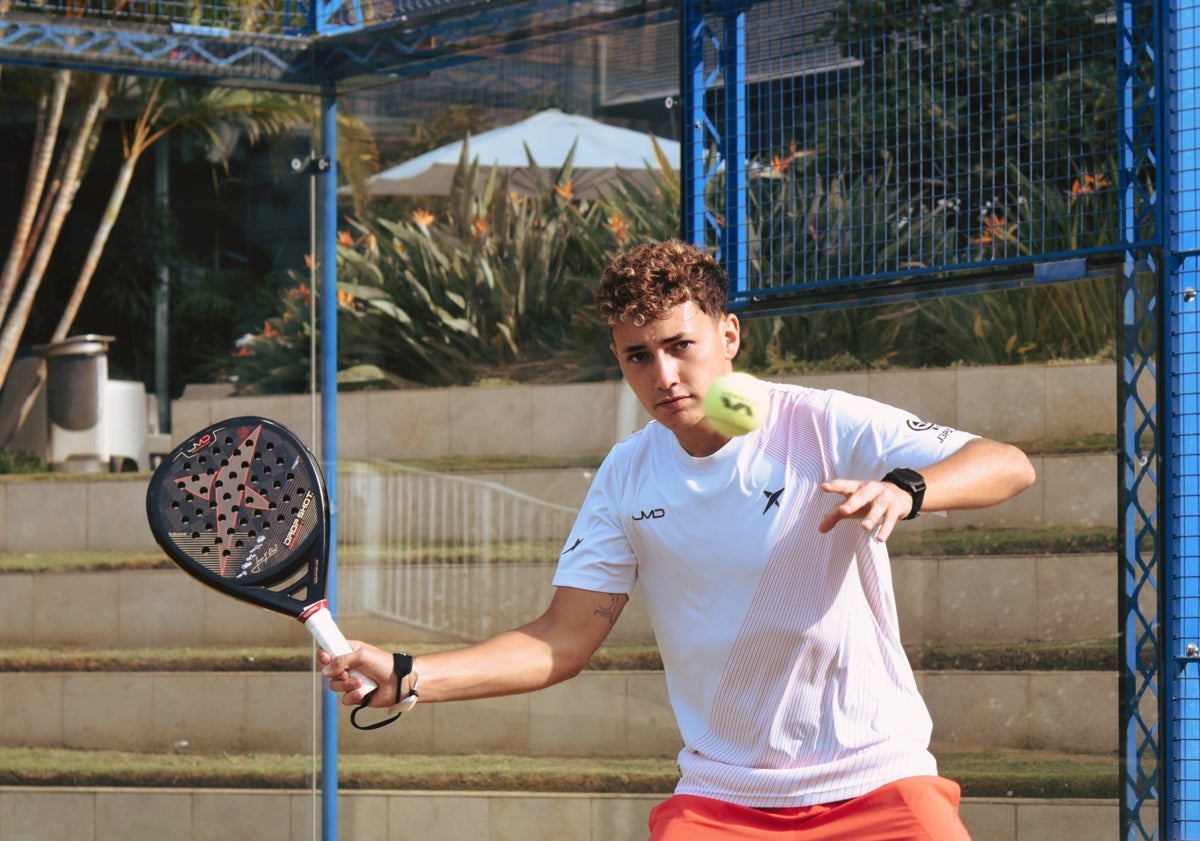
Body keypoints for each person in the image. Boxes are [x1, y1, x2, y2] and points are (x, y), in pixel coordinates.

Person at [321, 238, 1037, 840]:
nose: (662, 375)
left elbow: (1008, 464)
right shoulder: (627, 474)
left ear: (728, 336)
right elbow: (561, 640)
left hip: (876, 781)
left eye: (679, 345)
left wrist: (906, 489)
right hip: (721, 802)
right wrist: (411, 673)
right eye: (637, 356)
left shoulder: (821, 424)